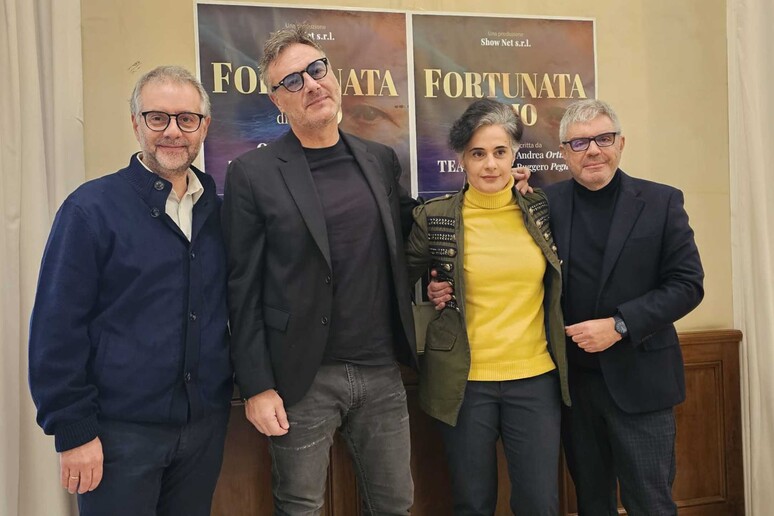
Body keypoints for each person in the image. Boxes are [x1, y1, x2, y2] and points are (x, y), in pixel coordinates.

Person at [429, 99, 705, 515]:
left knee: (651, 503)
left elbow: (687, 285)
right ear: (563, 152)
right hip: (574, 387)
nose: (592, 150)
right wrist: (437, 283)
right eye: (579, 143)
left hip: (641, 381)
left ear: (621, 143)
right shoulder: (545, 204)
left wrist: (621, 324)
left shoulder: (661, 201)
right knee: (591, 502)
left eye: (603, 139)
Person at [221, 24, 418, 514]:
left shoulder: (379, 160)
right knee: (300, 507)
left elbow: (414, 230)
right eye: (293, 81)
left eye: (316, 69)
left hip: (381, 370)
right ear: (277, 101)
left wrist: (500, 193)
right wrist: (256, 385)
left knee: (395, 505)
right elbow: (241, 288)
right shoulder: (252, 174)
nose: (310, 84)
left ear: (334, 76)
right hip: (301, 378)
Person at [28, 66, 232, 516]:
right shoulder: (89, 210)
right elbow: (56, 329)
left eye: (187, 119)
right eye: (158, 117)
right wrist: (74, 431)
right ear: (136, 123)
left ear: (204, 127)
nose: (173, 131)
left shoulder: (218, 212)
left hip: (203, 431)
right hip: (117, 436)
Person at [405, 99, 571, 515]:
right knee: (472, 503)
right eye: (478, 153)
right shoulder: (436, 218)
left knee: (540, 503)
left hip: (535, 380)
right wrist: (431, 287)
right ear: (461, 159)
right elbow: (398, 280)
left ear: (515, 154)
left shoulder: (541, 209)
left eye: (500, 151)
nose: (490, 164)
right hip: (464, 385)